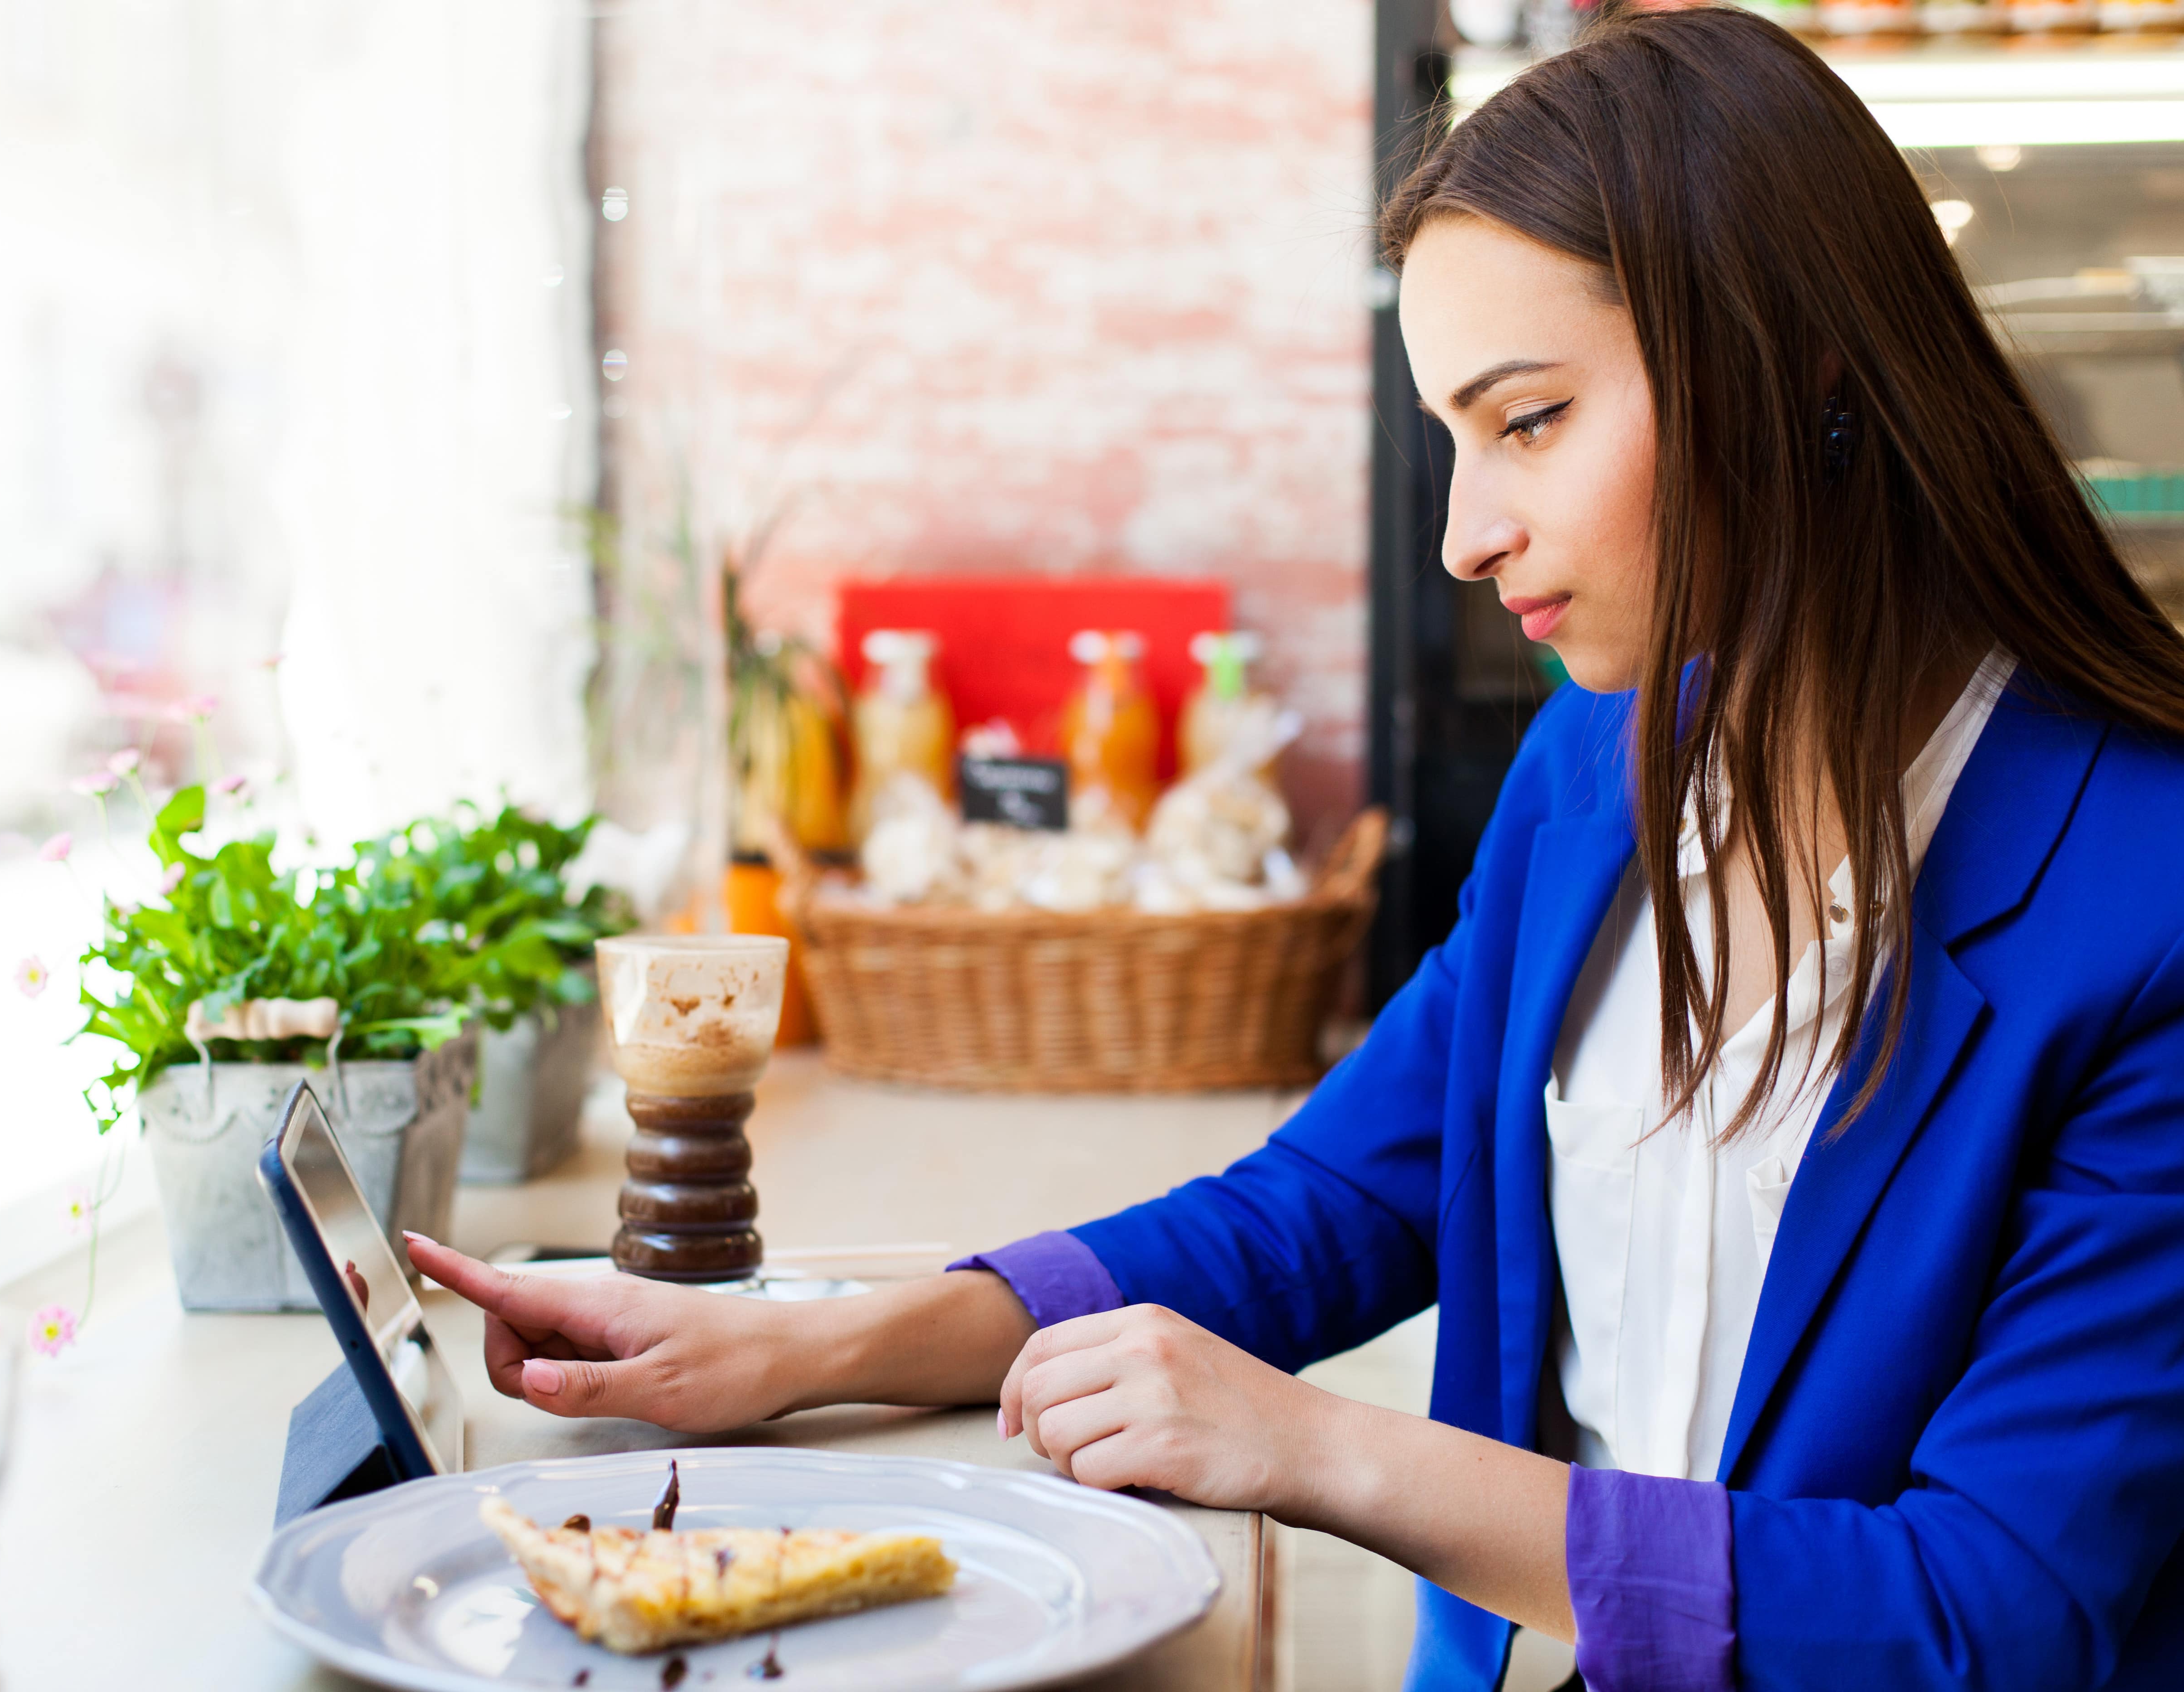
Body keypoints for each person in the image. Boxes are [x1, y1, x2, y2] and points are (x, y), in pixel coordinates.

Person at [407, 10, 2184, 1688]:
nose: (1467, 536)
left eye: (1532, 420)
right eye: (1451, 441)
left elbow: (1991, 1618)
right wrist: (814, 1348)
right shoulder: (1602, 769)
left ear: (1790, 366)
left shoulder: (2141, 898)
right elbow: (1333, 1203)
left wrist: (1316, 1450)